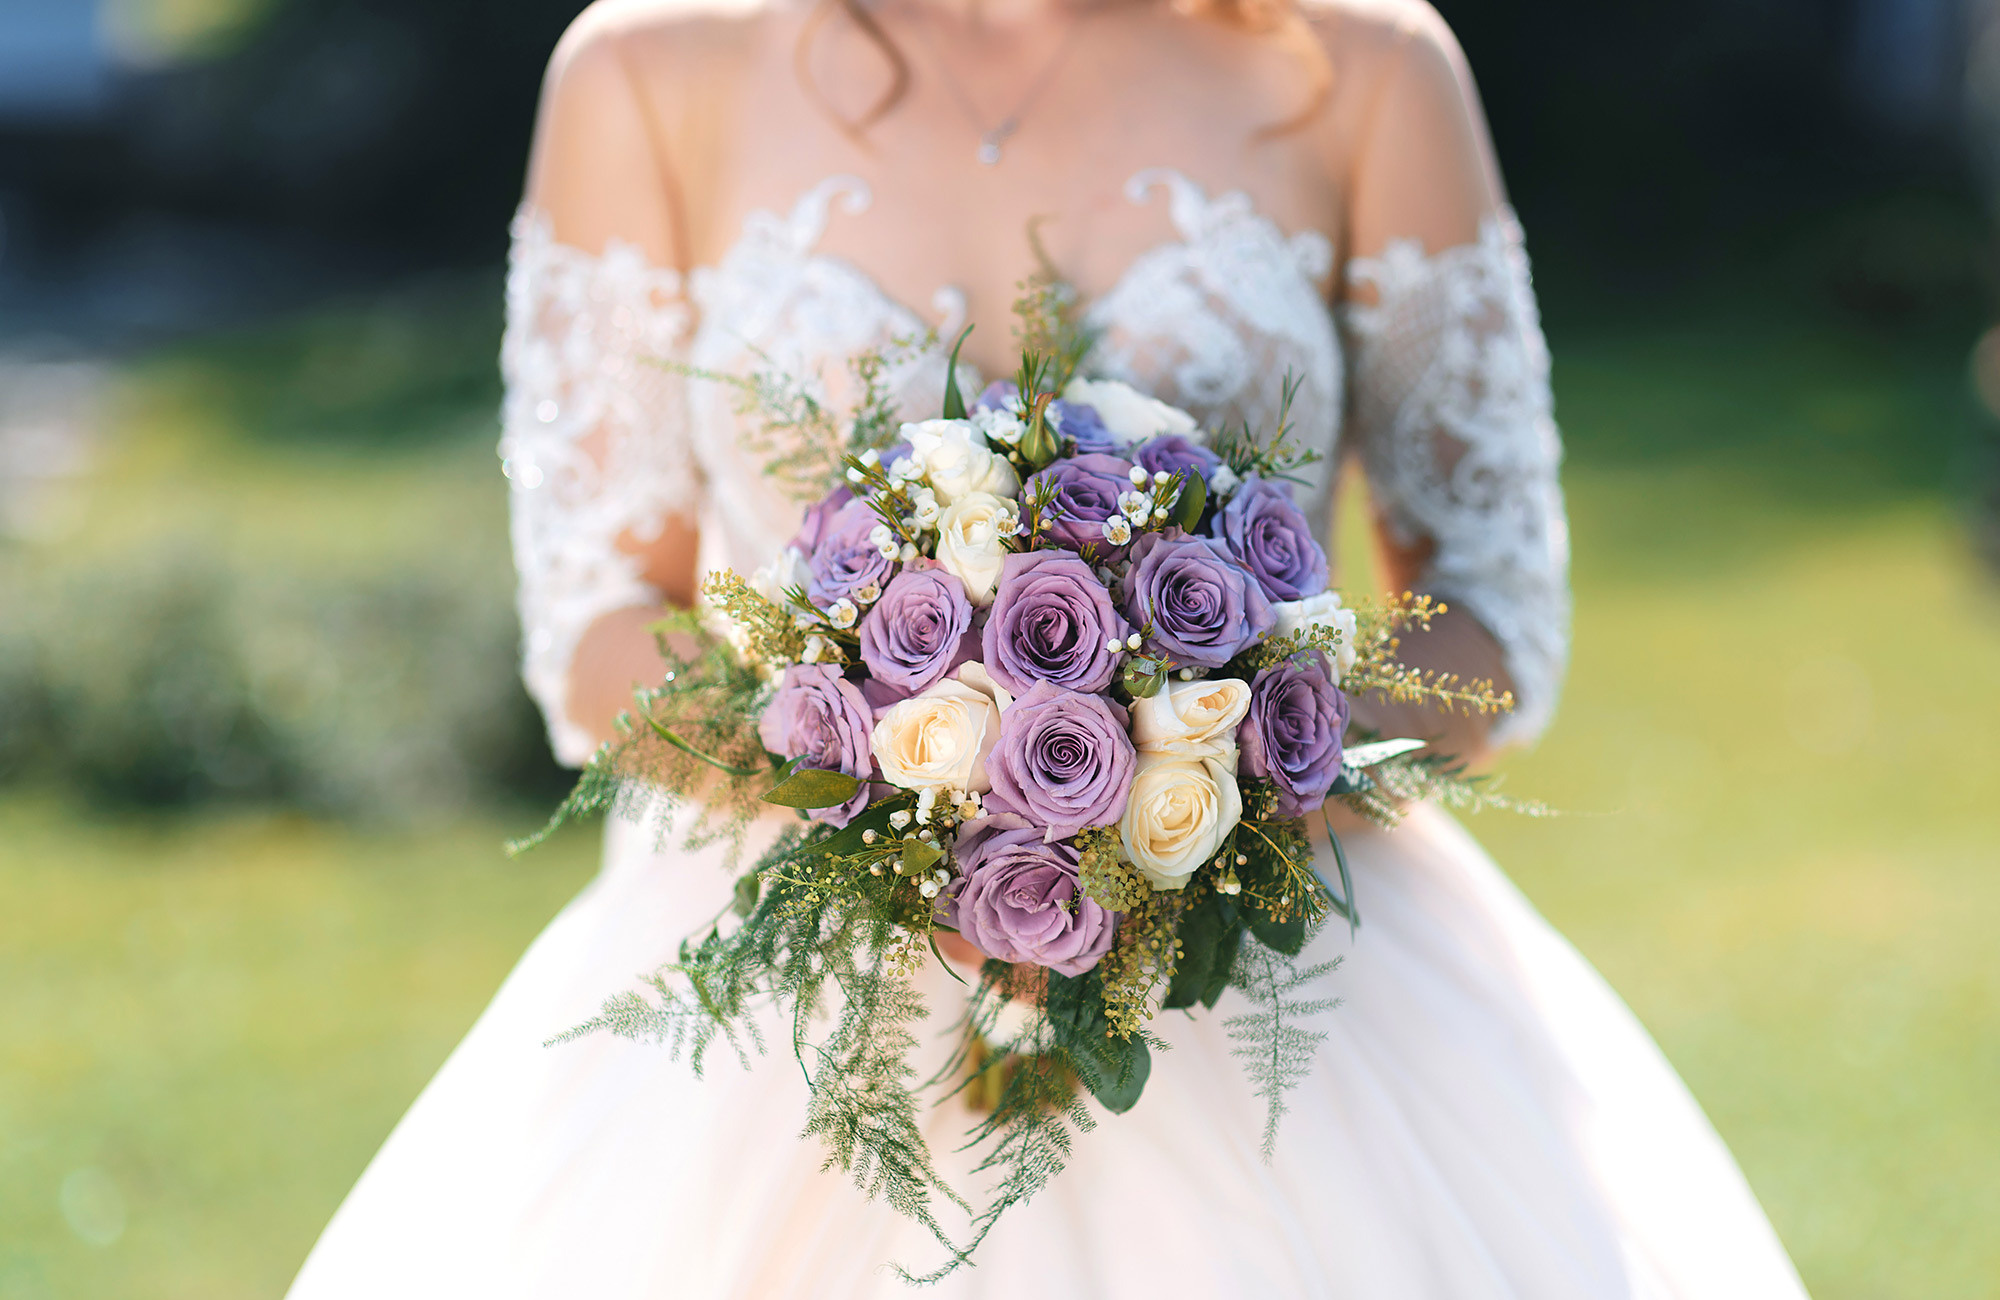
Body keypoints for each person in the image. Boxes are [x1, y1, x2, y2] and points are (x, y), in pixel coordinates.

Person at [288, 0, 1813, 1294]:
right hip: (781, 1024)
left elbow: (1493, 614)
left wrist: (1216, 761)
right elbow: (596, 629)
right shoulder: (649, 66)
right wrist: (907, 805)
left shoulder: (1362, 62)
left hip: (1297, 992)